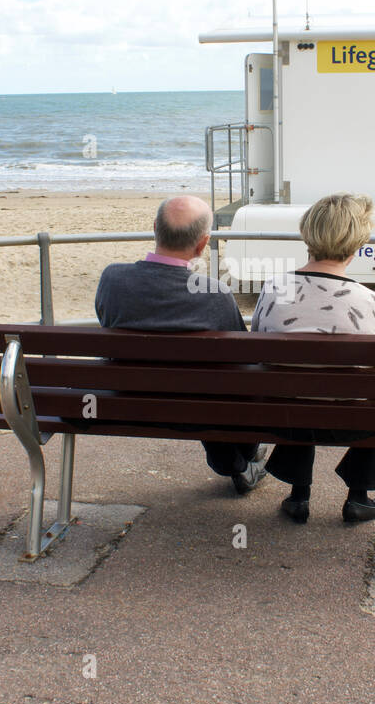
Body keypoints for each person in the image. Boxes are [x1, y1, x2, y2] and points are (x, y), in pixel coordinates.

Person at [94, 195, 267, 494]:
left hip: (128, 400)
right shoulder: (214, 294)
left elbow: (105, 319)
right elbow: (243, 358)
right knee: (228, 387)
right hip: (197, 406)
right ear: (202, 245)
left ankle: (239, 462)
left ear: (154, 228)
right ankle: (239, 461)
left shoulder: (112, 279)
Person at [251, 192, 375, 525]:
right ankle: (358, 496)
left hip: (284, 416)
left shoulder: (274, 289)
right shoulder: (371, 302)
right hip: (350, 422)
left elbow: (258, 352)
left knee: (296, 385)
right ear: (359, 241)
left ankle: (299, 495)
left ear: (308, 233)